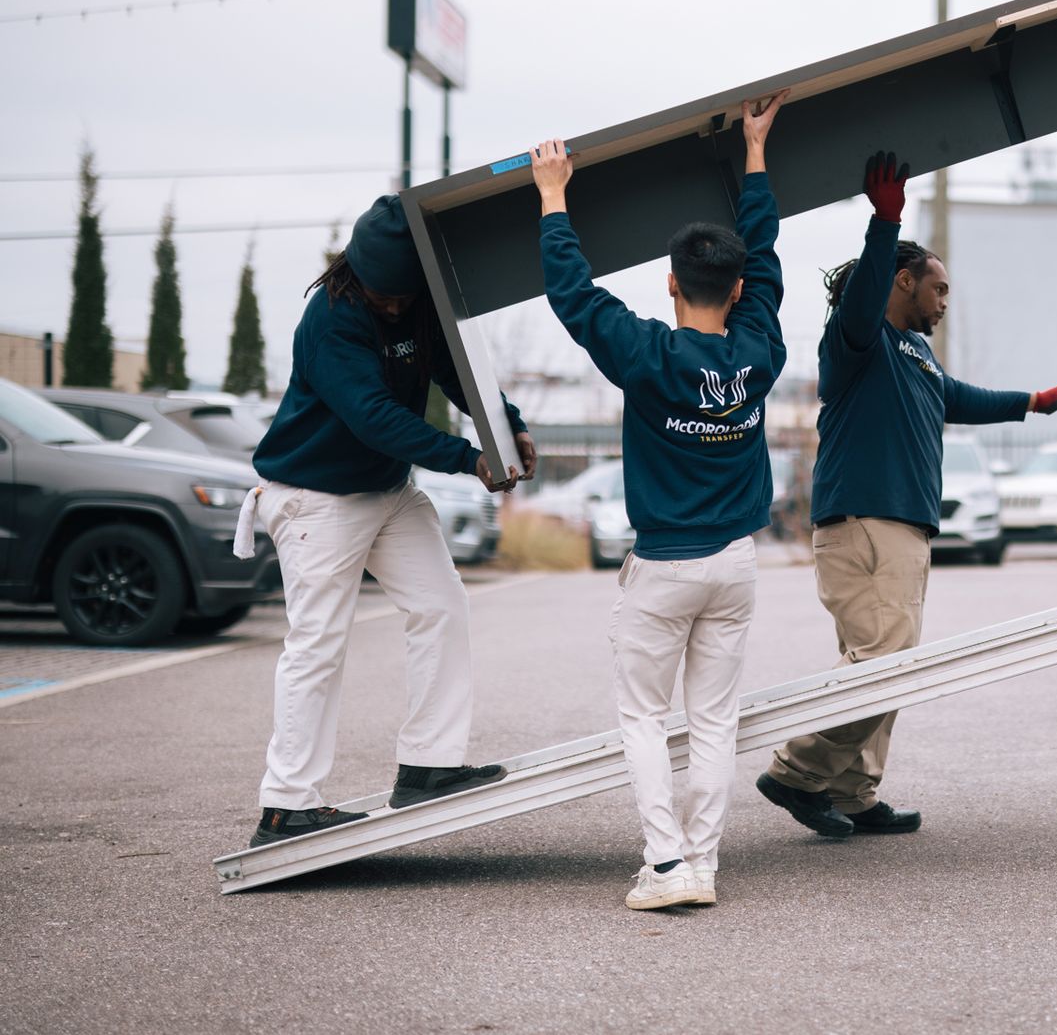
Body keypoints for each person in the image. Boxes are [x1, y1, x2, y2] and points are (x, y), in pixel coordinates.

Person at [757, 150, 1057, 839]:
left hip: (901, 523)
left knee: (880, 664)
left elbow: (956, 397)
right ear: (903, 281)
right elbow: (862, 295)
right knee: (888, 664)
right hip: (866, 521)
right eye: (937, 290)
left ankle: (852, 793)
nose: (943, 303)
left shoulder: (915, 353)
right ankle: (796, 772)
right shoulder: (858, 338)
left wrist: (1035, 401)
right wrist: (885, 222)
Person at [532, 90, 790, 911]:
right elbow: (771, 269)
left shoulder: (646, 354)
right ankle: (700, 864)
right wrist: (754, 153)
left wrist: (552, 195)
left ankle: (668, 867)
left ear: (670, 285)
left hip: (665, 567)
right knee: (712, 723)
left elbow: (574, 296)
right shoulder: (760, 352)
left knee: (644, 719)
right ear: (737, 287)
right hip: (736, 567)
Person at [246, 194, 536, 849]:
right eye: (387, 298)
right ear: (358, 274)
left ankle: (428, 766)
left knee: (442, 605)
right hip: (314, 498)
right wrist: (469, 458)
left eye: (406, 296)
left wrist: (507, 425)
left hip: (382, 489)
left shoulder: (418, 300)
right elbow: (374, 417)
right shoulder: (331, 319)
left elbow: (458, 373)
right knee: (318, 642)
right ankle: (285, 805)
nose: (397, 307)